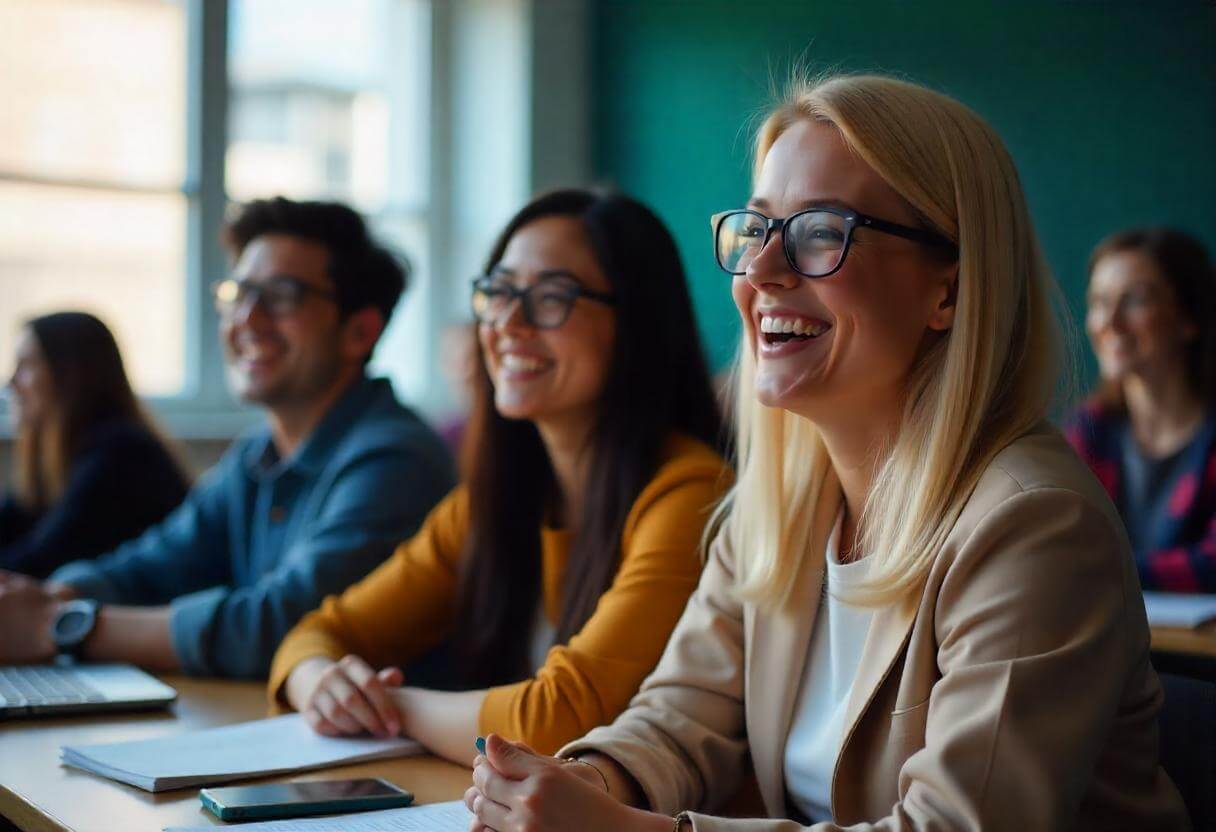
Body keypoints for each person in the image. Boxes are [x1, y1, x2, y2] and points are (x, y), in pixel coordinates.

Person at [463, 75, 1187, 830]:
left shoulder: (1034, 525)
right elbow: (681, 716)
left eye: (819, 231)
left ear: (949, 291)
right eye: (758, 229)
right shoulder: (780, 502)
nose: (762, 271)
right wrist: (584, 780)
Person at [269, 189, 728, 765]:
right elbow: (316, 633)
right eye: (500, 291)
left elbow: (560, 720)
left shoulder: (690, 494)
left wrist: (384, 707)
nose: (508, 322)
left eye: (553, 296)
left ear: (636, 323)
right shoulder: (498, 498)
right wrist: (318, 683)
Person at [0, 197, 455, 678]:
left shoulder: (397, 459)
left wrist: (63, 626)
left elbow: (282, 626)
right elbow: (155, 566)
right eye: (238, 294)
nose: (246, 319)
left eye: (282, 296)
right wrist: (50, 597)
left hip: (389, 749)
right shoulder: (256, 454)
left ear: (359, 332)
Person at [1067, 228, 1216, 593]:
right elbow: (1053, 541)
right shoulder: (1089, 430)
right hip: (1106, 643)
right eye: (1099, 302)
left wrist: (1095, 569)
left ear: (1188, 318)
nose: (1109, 323)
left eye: (1134, 300)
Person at [0, 312, 189, 578]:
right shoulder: (66, 456)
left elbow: (37, 565)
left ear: (71, 374)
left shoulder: (120, 456)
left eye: (27, 365)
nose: (11, 382)